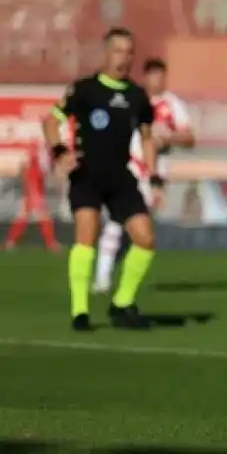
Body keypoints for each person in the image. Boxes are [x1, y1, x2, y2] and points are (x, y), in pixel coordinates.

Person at [42, 27, 162, 331]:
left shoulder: (137, 96)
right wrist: (59, 152)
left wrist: (155, 176)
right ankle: (80, 312)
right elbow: (51, 121)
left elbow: (147, 138)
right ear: (107, 53)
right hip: (87, 174)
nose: (125, 57)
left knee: (145, 239)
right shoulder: (84, 90)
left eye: (130, 52)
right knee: (87, 235)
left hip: (121, 177)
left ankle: (122, 303)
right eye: (119, 50)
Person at [92, 57, 195, 293]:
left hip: (156, 173)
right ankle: (102, 278)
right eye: (152, 75)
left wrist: (169, 137)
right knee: (118, 220)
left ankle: (112, 273)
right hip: (129, 168)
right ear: (145, 76)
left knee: (136, 229)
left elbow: (189, 138)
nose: (156, 80)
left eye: (160, 75)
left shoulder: (172, 104)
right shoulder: (133, 99)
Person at [4, 140, 60, 251]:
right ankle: (51, 243)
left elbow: (32, 180)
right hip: (33, 196)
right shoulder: (32, 166)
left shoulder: (33, 165)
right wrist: (34, 196)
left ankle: (10, 242)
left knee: (25, 218)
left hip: (32, 195)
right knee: (40, 218)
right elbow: (30, 182)